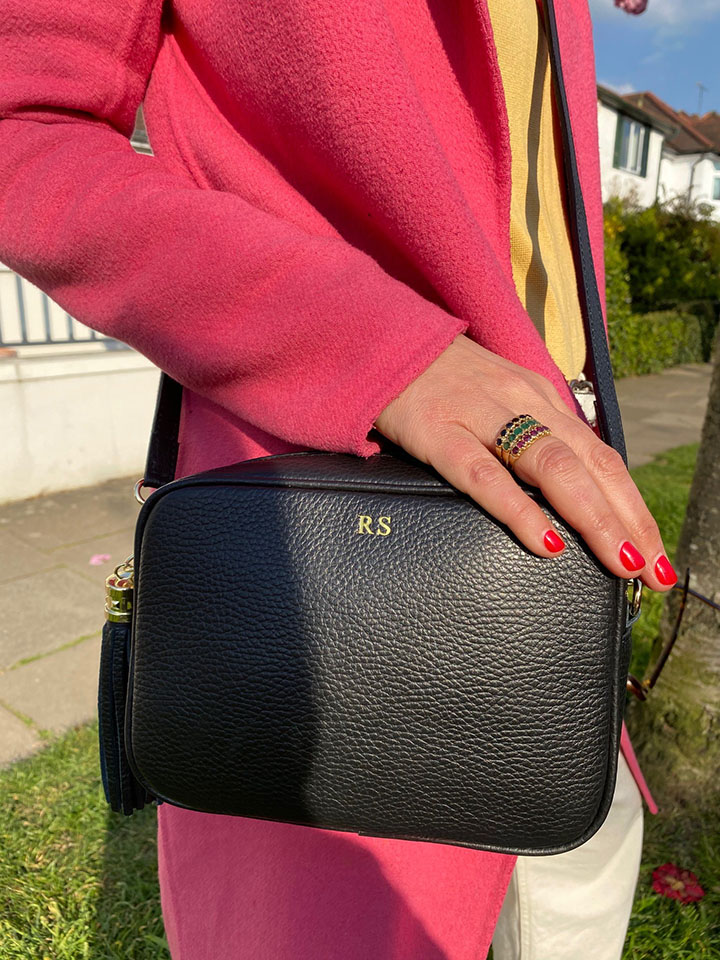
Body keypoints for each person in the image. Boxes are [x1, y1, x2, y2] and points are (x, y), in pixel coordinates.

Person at [0, 0, 673, 957]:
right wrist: (391, 355)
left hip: (543, 564)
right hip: (326, 545)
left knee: (571, 900)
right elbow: (22, 126)